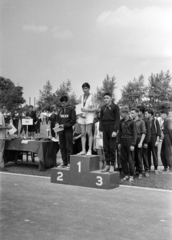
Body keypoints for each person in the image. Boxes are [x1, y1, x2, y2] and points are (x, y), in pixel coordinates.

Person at [99, 92, 120, 173]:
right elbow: (100, 119)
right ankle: (107, 165)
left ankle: (112, 165)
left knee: (112, 148)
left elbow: (117, 119)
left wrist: (115, 130)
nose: (106, 99)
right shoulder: (102, 108)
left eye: (107, 98)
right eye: (104, 98)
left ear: (111, 98)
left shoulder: (115, 107)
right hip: (105, 128)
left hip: (112, 128)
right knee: (106, 148)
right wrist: (100, 130)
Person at [77, 82, 97, 155]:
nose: (84, 90)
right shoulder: (81, 96)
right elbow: (79, 107)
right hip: (82, 116)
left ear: (89, 88)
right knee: (83, 133)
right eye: (83, 88)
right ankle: (83, 150)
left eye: (86, 88)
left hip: (89, 116)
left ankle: (89, 150)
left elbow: (95, 108)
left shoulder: (92, 96)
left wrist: (87, 110)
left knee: (89, 133)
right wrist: (79, 113)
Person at [118, 106, 137, 182]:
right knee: (123, 159)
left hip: (129, 140)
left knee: (130, 159)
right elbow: (119, 133)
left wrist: (133, 144)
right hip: (122, 141)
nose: (121, 115)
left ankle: (131, 175)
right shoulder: (121, 122)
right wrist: (119, 142)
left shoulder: (132, 122)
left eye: (121, 113)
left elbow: (135, 134)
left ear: (126, 113)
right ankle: (126, 174)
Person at [57, 96, 76, 168]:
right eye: (62, 103)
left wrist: (65, 125)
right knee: (62, 146)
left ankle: (69, 163)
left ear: (67, 102)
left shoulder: (71, 110)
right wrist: (57, 124)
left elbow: (73, 121)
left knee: (69, 146)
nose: (63, 104)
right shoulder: (60, 110)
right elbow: (58, 119)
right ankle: (64, 162)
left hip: (68, 130)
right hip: (61, 130)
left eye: (64, 103)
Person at [130, 107, 146, 179]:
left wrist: (141, 142)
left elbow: (144, 133)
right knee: (132, 157)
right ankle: (133, 171)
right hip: (132, 139)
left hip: (139, 139)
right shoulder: (130, 121)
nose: (131, 114)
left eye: (133, 113)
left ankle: (140, 172)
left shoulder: (141, 121)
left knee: (139, 156)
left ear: (137, 113)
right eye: (131, 113)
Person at [145, 108, 161, 173]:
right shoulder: (145, 121)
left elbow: (158, 131)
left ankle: (156, 168)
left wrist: (157, 141)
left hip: (154, 138)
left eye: (146, 113)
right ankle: (148, 167)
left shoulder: (155, 120)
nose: (145, 115)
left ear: (150, 114)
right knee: (147, 154)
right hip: (147, 138)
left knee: (154, 154)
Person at [137, 105, 151, 177]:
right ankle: (139, 170)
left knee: (145, 156)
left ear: (141, 112)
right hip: (138, 141)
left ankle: (146, 170)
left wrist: (146, 142)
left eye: (138, 111)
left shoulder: (146, 120)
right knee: (138, 156)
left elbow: (148, 132)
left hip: (144, 141)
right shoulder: (136, 120)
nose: (137, 112)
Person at [0, 105, 12, 171]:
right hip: (1, 137)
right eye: (4, 108)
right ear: (1, 108)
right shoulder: (0, 115)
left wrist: (5, 125)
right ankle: (1, 166)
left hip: (1, 136)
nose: (5, 109)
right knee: (1, 151)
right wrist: (7, 127)